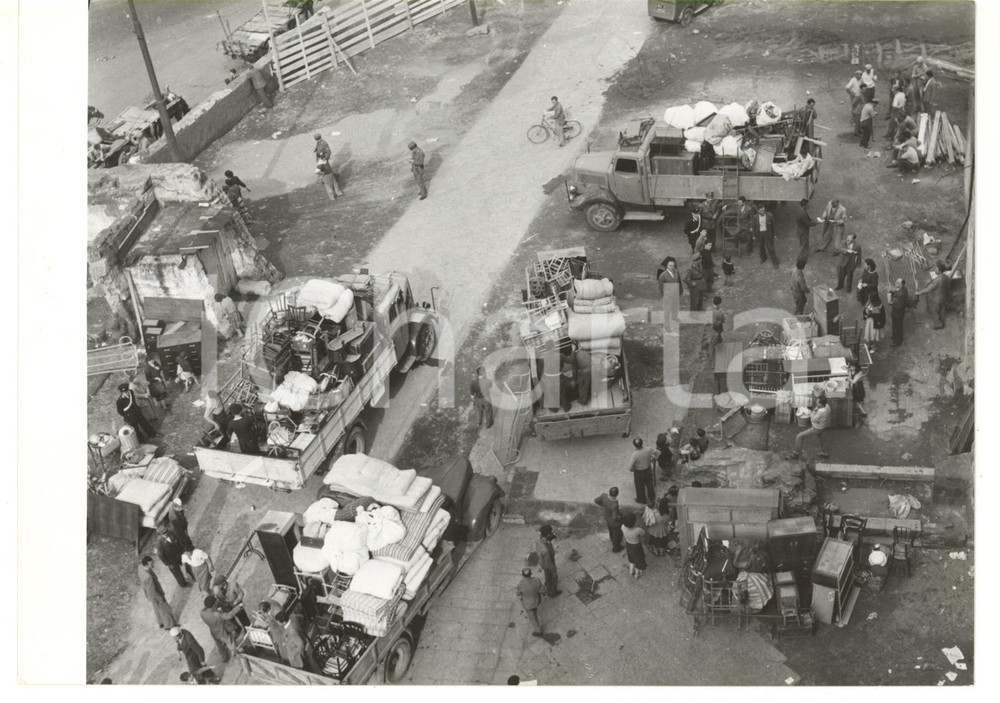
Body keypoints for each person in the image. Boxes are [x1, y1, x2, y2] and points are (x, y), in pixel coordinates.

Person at [200, 595, 243, 663]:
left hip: (214, 632)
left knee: (220, 646)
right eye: (215, 603)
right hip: (222, 632)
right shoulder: (216, 614)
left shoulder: (202, 613)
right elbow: (228, 615)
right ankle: (238, 659)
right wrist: (239, 607)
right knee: (232, 645)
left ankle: (224, 656)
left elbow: (206, 607)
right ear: (213, 605)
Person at [138, 556, 176, 630]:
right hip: (156, 595)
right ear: (146, 565)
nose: (153, 565)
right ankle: (170, 625)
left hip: (149, 595)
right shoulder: (148, 577)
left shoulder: (140, 567)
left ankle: (161, 622)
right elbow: (153, 591)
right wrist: (160, 599)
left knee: (156, 608)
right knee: (165, 610)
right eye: (151, 563)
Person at [791, 393, 831, 459]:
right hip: (822, 426)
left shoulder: (820, 412)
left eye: (817, 402)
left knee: (799, 436)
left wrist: (814, 411)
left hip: (816, 428)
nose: (816, 403)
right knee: (822, 439)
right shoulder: (827, 406)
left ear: (820, 404)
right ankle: (825, 453)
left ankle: (796, 453)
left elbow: (812, 419)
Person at [915, 262, 950, 329]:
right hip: (943, 297)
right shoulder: (945, 277)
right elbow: (948, 285)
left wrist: (919, 293)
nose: (935, 270)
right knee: (942, 310)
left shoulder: (937, 280)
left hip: (936, 299)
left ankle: (938, 325)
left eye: (936, 269)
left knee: (935, 311)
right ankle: (941, 322)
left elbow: (928, 289)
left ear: (940, 271)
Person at [625, 437, 658, 505]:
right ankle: (651, 497)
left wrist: (633, 470)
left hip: (639, 472)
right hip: (647, 469)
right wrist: (653, 459)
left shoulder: (635, 454)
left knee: (639, 486)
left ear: (634, 445)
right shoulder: (648, 449)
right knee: (649, 484)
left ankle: (641, 499)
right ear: (642, 443)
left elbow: (629, 467)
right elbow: (658, 453)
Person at [155, 522, 189, 587]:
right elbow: (161, 555)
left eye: (166, 531)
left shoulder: (171, 533)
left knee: (187, 565)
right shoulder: (159, 544)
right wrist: (168, 563)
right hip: (171, 560)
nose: (166, 534)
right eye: (163, 533)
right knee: (177, 573)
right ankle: (183, 584)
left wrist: (183, 551)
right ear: (159, 534)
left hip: (179, 553)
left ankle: (192, 575)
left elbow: (178, 541)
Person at [515, 568, 544, 636]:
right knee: (534, 610)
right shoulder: (536, 580)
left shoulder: (521, 585)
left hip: (527, 604)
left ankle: (538, 631)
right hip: (537, 601)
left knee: (532, 617)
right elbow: (542, 590)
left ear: (523, 575)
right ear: (531, 574)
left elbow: (518, 593)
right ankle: (535, 611)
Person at [594, 487, 624, 552]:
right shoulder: (614, 504)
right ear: (617, 494)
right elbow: (615, 517)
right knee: (616, 534)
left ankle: (612, 539)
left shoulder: (603, 496)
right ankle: (616, 547)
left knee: (611, 531)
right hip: (614, 523)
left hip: (607, 518)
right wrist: (620, 519)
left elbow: (596, 501)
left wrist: (604, 505)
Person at [535, 525, 561, 597]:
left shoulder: (539, 541)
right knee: (553, 577)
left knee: (547, 574)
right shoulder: (545, 551)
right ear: (548, 534)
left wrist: (549, 541)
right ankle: (552, 592)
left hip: (542, 562)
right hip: (548, 564)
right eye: (550, 533)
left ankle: (547, 583)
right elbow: (548, 563)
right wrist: (554, 571)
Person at [621, 513, 647, 580]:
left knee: (631, 559)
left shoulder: (623, 527)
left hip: (628, 545)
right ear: (634, 521)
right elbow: (643, 534)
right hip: (636, 546)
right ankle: (636, 574)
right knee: (638, 560)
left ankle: (631, 570)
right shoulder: (637, 530)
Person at [753, 204, 778, 268]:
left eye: (764, 210)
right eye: (761, 211)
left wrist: (775, 234)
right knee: (761, 247)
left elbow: (774, 226)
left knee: (770, 248)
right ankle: (763, 258)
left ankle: (775, 262)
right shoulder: (755, 217)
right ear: (758, 211)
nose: (763, 212)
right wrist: (754, 235)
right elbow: (754, 227)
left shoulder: (770, 216)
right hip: (759, 234)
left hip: (767, 233)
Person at [888, 277, 911, 346]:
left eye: (897, 282)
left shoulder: (901, 294)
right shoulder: (903, 289)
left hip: (898, 313)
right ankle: (895, 336)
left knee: (898, 326)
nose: (895, 283)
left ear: (901, 284)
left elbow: (899, 306)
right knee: (896, 325)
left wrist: (891, 303)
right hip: (898, 313)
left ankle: (897, 341)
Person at [845, 69, 864, 135]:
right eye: (859, 74)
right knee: (854, 110)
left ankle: (858, 125)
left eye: (861, 74)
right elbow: (847, 88)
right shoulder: (853, 80)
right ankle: (854, 122)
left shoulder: (861, 80)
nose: (860, 76)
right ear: (856, 75)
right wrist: (852, 93)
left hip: (859, 96)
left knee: (859, 110)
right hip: (855, 96)